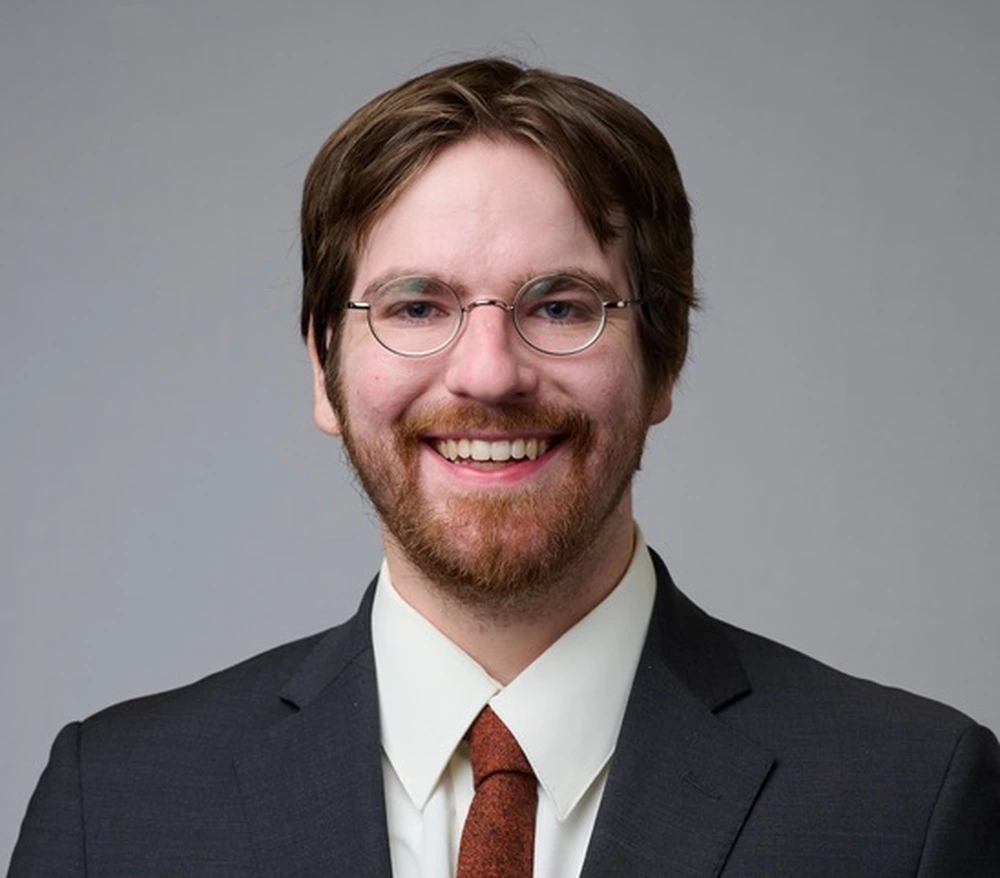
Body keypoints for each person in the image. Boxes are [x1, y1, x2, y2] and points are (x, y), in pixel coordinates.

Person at [8, 57, 999, 878]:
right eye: (415, 306)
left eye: (560, 305)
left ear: (663, 361)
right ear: (322, 366)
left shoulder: (910, 802)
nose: (487, 372)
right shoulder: (117, 807)